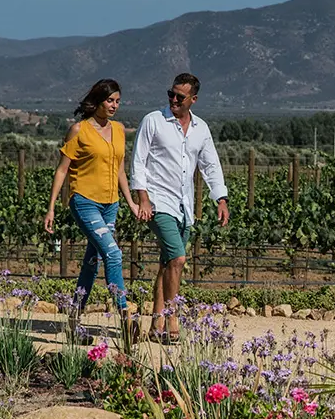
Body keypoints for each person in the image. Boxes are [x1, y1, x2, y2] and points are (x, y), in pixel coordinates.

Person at [131, 72, 230, 337]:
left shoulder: (201, 129)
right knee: (178, 258)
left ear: (193, 99)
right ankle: (172, 319)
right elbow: (138, 161)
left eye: (180, 96)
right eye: (170, 94)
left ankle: (155, 324)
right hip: (157, 202)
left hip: (184, 206)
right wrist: (143, 199)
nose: (173, 99)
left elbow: (211, 165)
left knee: (167, 264)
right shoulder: (153, 121)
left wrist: (221, 199)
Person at [44, 78, 139, 318]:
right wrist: (51, 207)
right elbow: (62, 169)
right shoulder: (79, 130)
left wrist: (130, 202)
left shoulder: (118, 130)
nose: (114, 105)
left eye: (117, 101)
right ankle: (124, 313)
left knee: (93, 258)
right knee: (113, 254)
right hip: (85, 201)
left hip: (111, 204)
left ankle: (75, 314)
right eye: (109, 100)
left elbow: (119, 170)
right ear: (97, 101)